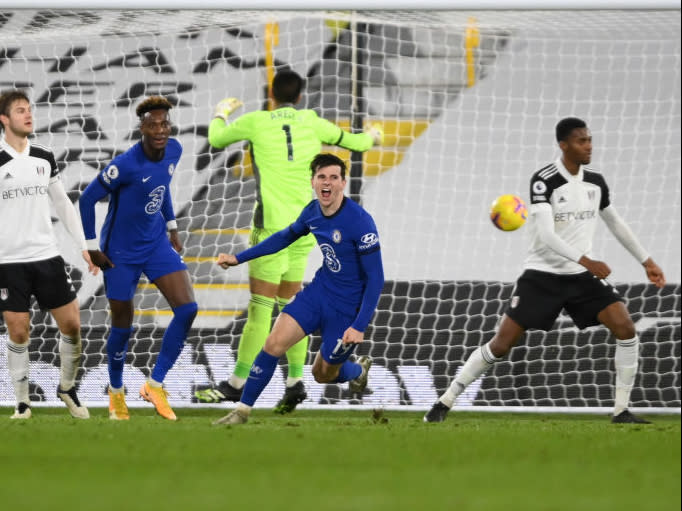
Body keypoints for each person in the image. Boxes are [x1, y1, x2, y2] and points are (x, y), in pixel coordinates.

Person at [424, 117, 666, 425]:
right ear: (564, 145)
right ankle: (445, 401)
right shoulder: (545, 180)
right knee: (501, 344)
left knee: (625, 328)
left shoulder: (596, 181)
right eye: (581, 141)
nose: (589, 146)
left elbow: (615, 222)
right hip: (542, 275)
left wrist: (646, 260)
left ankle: (621, 410)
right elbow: (547, 236)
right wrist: (587, 260)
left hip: (581, 277)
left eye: (590, 139)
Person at [195, 69, 383, 413]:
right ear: (300, 97)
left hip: (272, 229)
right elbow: (357, 144)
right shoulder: (313, 121)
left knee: (262, 310)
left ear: (271, 95)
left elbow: (217, 138)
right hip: (309, 227)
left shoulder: (256, 121)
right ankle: (295, 382)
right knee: (290, 306)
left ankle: (236, 385)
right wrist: (372, 133)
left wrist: (221, 112)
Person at [212, 153, 384, 425]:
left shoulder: (360, 222)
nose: (327, 183)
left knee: (322, 373)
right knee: (273, 343)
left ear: (343, 182)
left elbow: (376, 278)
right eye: (321, 177)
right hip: (318, 294)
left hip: (347, 310)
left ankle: (356, 371)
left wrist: (360, 325)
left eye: (333, 177)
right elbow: (283, 238)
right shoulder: (313, 211)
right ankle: (242, 411)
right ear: (313, 181)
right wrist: (237, 258)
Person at [79, 96, 198, 421]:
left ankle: (154, 384)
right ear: (142, 128)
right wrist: (92, 247)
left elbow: (162, 188)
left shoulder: (174, 149)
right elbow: (87, 199)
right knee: (122, 323)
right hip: (119, 253)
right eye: (153, 125)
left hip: (156, 243)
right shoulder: (125, 165)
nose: (160, 130)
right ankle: (116, 394)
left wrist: (172, 226)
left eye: (165, 123)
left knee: (188, 309)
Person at [0, 89, 98, 419]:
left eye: (29, 110)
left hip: (47, 256)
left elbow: (62, 204)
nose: (28, 115)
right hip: (8, 261)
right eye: (19, 110)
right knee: (18, 332)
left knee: (71, 324)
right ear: (4, 119)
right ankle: (23, 402)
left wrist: (83, 247)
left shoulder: (44, 156)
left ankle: (67, 388)